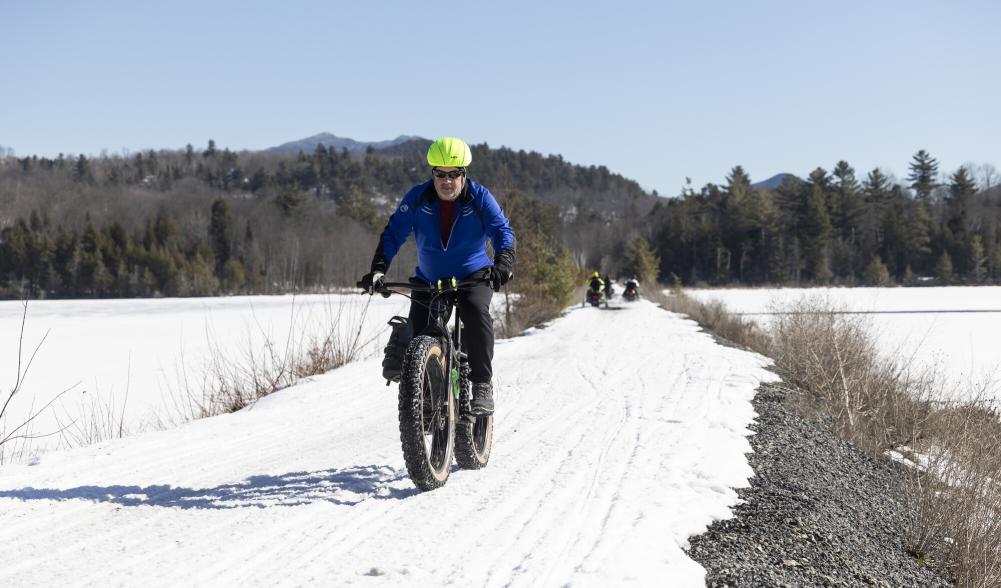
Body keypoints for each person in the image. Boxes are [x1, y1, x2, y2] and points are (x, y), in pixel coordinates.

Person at [359, 137, 516, 416]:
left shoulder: (479, 197)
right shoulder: (418, 198)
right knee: (421, 332)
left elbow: (503, 232)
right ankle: (428, 394)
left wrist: (503, 263)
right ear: (433, 174)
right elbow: (394, 233)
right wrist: (379, 269)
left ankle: (481, 384)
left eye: (454, 174)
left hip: (474, 276)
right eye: (440, 174)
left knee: (474, 309)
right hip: (430, 280)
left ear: (463, 174)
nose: (447, 181)